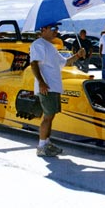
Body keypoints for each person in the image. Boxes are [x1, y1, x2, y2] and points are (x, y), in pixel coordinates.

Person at [30, 22, 82, 157]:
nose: (56, 32)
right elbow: (33, 63)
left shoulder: (51, 47)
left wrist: (77, 55)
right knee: (47, 117)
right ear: (44, 29)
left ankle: (47, 142)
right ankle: (41, 146)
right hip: (47, 87)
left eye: (57, 29)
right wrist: (41, 83)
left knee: (51, 116)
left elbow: (64, 62)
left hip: (54, 86)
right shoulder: (38, 44)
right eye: (53, 29)